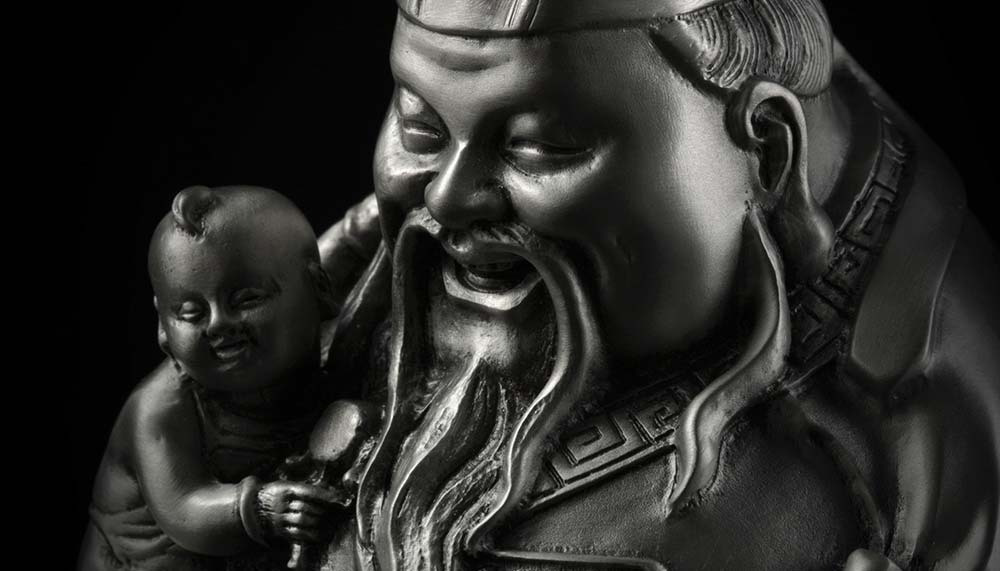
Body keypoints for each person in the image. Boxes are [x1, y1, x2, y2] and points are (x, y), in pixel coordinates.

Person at [311, 0, 999, 569]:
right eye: (422, 128)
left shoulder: (911, 443)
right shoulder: (346, 292)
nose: (450, 197)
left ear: (766, 152)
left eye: (540, 147)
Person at [79, 186, 361, 571]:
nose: (219, 324)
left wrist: (372, 219)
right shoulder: (159, 409)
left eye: (245, 300)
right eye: (191, 313)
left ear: (320, 290)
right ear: (163, 326)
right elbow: (184, 510)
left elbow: (344, 249)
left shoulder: (312, 317)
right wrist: (260, 509)